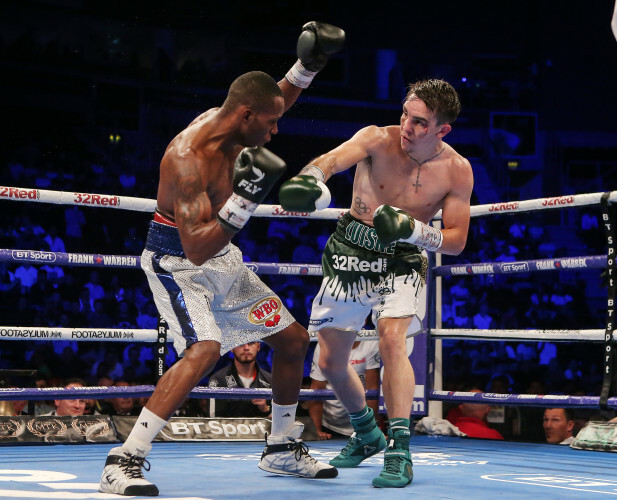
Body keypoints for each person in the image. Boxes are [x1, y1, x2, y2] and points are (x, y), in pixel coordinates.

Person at [99, 21, 345, 497]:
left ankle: (279, 448)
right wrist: (246, 201)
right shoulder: (188, 158)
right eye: (270, 124)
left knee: (293, 340)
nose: (275, 133)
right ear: (246, 115)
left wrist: (307, 67)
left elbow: (278, 98)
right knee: (205, 350)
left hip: (224, 260)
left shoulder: (237, 123)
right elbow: (195, 247)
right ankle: (122, 459)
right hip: (178, 264)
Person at [279, 78, 473, 488]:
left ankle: (400, 449)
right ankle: (367, 434)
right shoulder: (375, 139)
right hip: (351, 249)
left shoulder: (456, 170)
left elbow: (456, 241)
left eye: (420, 122)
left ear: (443, 129)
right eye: (405, 113)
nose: (407, 126)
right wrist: (312, 178)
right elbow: (331, 160)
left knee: (390, 337)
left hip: (402, 258)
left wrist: (414, 231)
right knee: (331, 362)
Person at [309, 340, 381, 439]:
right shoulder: (324, 345)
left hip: (361, 424)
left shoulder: (371, 344)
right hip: (330, 426)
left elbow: (372, 390)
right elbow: (316, 389)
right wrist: (317, 430)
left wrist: (370, 428)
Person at [208, 342, 272, 417]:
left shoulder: (269, 380)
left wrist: (265, 409)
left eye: (251, 343)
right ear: (231, 347)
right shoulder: (218, 379)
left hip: (262, 428)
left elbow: (279, 420)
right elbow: (212, 421)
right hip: (228, 428)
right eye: (241, 343)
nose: (246, 348)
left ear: (258, 347)